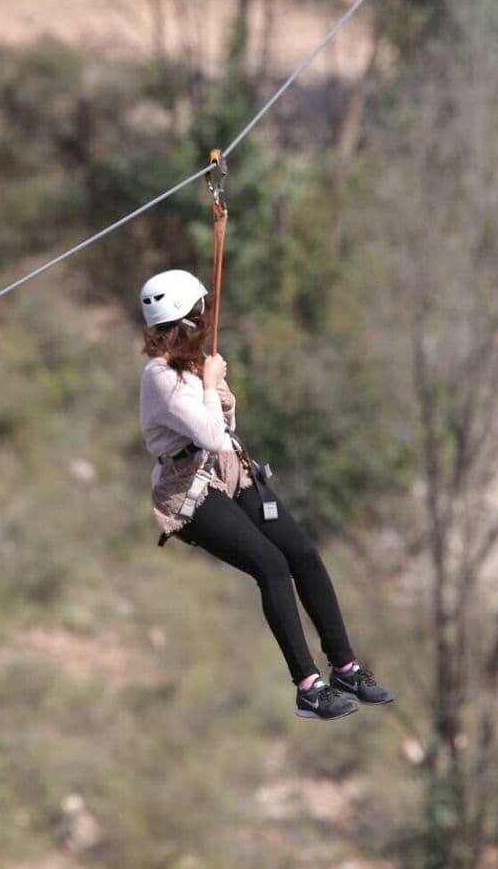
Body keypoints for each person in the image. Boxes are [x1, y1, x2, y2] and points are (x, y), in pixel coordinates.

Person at [137, 268, 393, 721]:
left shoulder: (192, 364)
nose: (207, 318)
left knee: (302, 555)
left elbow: (224, 428)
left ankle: (345, 666)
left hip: (228, 470)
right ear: (187, 318)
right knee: (271, 566)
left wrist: (219, 392)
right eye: (201, 312)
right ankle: (309, 688)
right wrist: (213, 387)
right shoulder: (160, 376)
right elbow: (212, 433)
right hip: (189, 489)